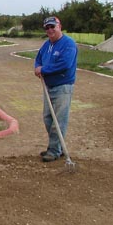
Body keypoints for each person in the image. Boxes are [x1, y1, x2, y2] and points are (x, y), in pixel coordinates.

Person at [34, 16, 78, 162]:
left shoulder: (68, 44)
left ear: (59, 26)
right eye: (47, 28)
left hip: (63, 86)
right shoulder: (47, 45)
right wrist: (37, 68)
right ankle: (57, 148)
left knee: (59, 120)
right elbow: (38, 58)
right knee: (48, 118)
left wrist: (44, 69)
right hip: (48, 86)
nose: (50, 30)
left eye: (52, 26)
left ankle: (54, 150)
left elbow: (65, 64)